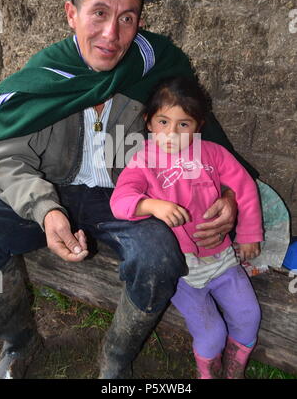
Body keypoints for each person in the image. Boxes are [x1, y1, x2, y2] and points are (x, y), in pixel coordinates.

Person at [0, 0, 256, 379]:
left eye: (127, 18)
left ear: (139, 23)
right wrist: (46, 209)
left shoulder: (155, 68)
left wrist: (230, 196)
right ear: (71, 14)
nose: (111, 34)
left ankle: (116, 359)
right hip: (54, 190)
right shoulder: (47, 78)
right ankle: (19, 343)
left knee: (158, 257)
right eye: (98, 12)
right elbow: (8, 158)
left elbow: (204, 144)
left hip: (131, 200)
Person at [110, 76, 263, 379]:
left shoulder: (213, 155)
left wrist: (248, 234)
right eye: (163, 122)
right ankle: (207, 373)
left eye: (184, 125)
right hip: (180, 270)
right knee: (211, 335)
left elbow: (244, 187)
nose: (172, 134)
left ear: (198, 126)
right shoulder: (142, 162)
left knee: (249, 316)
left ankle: (234, 371)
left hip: (222, 260)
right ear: (149, 122)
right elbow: (120, 201)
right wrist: (153, 205)